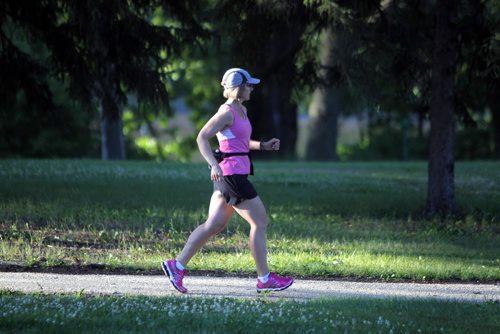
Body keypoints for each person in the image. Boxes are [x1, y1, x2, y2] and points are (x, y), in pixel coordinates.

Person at [161, 68, 294, 294]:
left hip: (233, 174)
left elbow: (240, 143)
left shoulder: (241, 110)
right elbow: (202, 137)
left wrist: (262, 145)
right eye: (249, 85)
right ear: (238, 88)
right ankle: (264, 279)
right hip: (230, 175)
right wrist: (212, 164)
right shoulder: (226, 112)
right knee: (259, 222)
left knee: (214, 224)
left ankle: (177, 265)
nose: (252, 88)